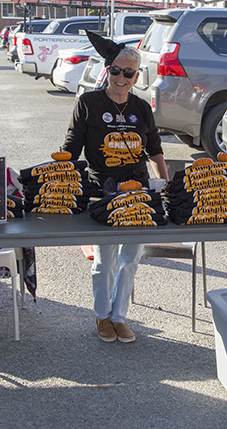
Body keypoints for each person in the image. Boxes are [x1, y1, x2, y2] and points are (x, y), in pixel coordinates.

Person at [60, 31, 168, 344]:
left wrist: (164, 183)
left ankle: (120, 316)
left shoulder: (142, 107)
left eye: (129, 73)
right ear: (107, 70)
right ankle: (102, 315)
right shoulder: (88, 103)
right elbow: (72, 145)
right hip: (101, 193)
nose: (122, 78)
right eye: (117, 71)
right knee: (104, 261)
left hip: (137, 193)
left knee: (131, 258)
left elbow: (155, 148)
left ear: (136, 76)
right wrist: (59, 171)